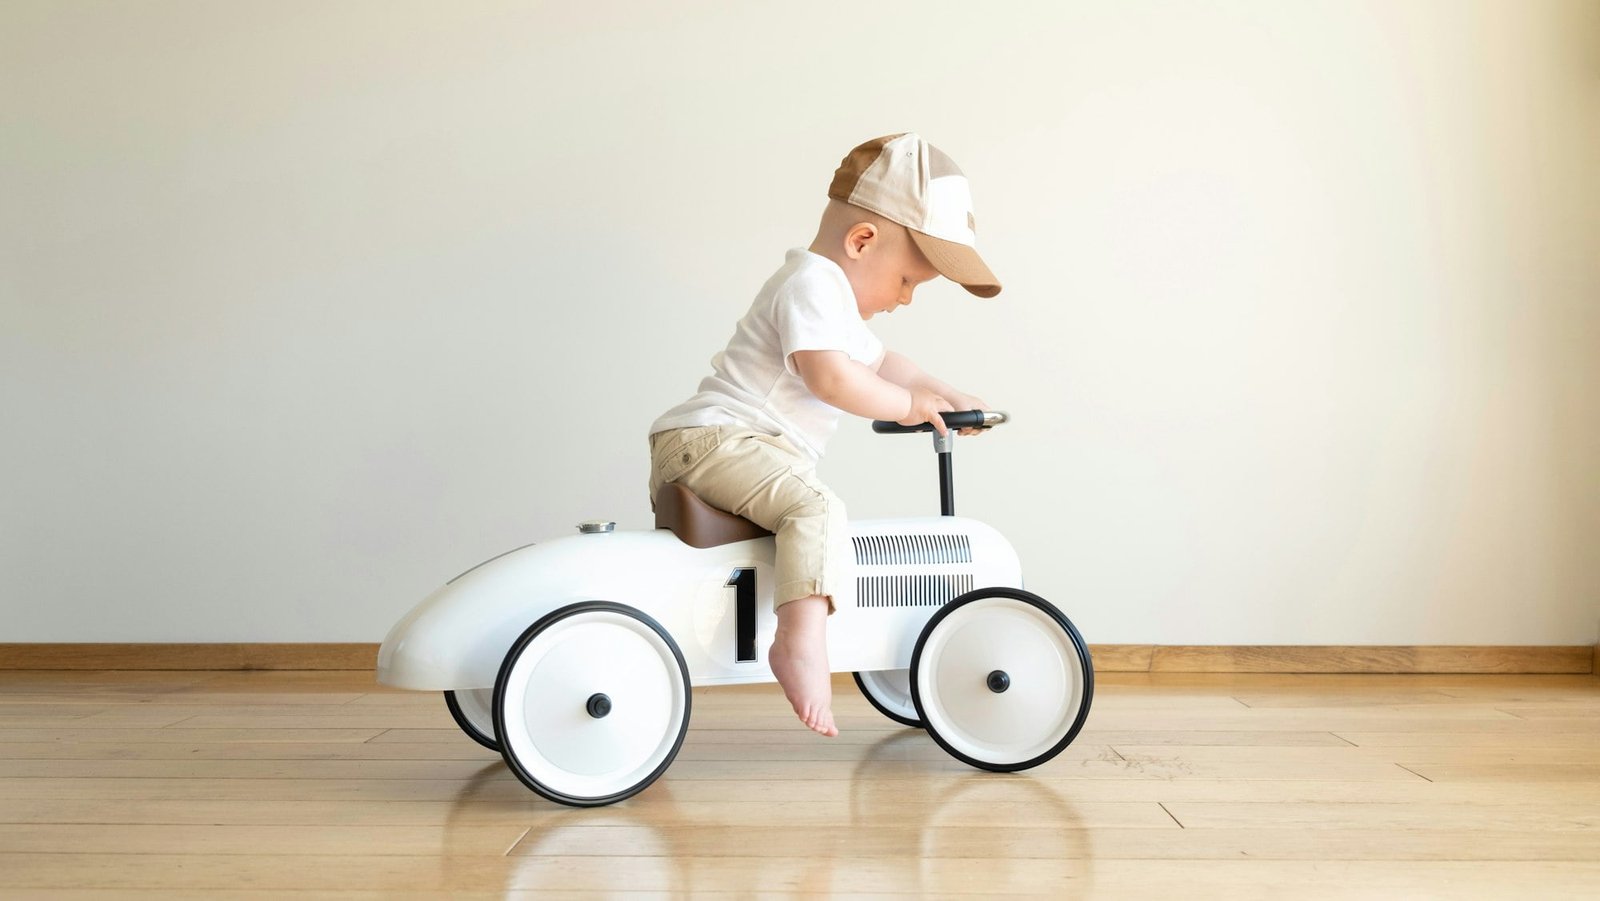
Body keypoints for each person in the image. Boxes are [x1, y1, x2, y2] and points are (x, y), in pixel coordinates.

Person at [646, 133, 1002, 737]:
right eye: (908, 281)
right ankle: (799, 645)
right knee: (817, 508)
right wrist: (908, 406)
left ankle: (812, 633)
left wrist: (945, 396)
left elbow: (888, 366)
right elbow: (834, 378)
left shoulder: (834, 299)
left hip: (733, 445)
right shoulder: (813, 283)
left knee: (812, 508)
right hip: (718, 439)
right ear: (862, 241)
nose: (907, 300)